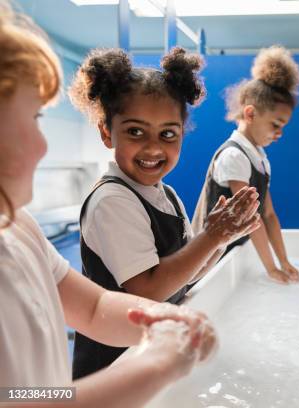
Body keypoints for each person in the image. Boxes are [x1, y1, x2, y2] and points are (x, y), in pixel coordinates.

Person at [0, 2, 217, 406]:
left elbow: (96, 307)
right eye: (32, 119)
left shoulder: (20, 229)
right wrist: (158, 363)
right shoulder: (110, 200)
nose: (44, 144)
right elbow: (25, 400)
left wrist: (163, 322)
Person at [68, 47, 261, 379]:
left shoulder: (165, 194)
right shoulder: (112, 200)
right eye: (135, 131)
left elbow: (184, 276)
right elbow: (149, 290)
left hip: (151, 351)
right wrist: (212, 235)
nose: (154, 147)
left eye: (168, 134)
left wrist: (221, 240)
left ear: (182, 134)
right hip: (113, 365)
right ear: (105, 132)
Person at [193, 46, 299, 284]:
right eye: (276, 124)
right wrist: (271, 268)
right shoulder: (235, 156)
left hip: (230, 253)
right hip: (207, 261)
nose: (280, 133)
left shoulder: (258, 157)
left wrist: (284, 262)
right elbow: (251, 219)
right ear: (250, 114)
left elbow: (269, 215)